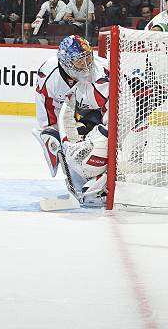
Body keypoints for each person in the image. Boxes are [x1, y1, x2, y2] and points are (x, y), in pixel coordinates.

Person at [34, 35, 109, 207]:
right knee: (53, 139)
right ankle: (78, 185)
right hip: (67, 116)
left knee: (100, 148)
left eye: (88, 57)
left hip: (96, 115)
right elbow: (48, 118)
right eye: (79, 61)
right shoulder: (49, 74)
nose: (86, 64)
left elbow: (112, 116)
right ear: (66, 63)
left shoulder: (102, 72)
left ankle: (103, 178)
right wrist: (64, 141)